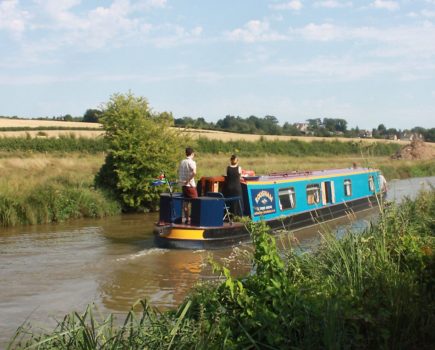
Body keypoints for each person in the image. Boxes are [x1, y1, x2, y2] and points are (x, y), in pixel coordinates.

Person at [178, 147, 198, 224]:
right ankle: (195, 220)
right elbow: (194, 172)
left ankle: (187, 219)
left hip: (183, 185)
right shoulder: (192, 162)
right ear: (192, 154)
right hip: (190, 185)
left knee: (185, 203)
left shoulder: (182, 162)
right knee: (196, 202)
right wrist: (188, 180)